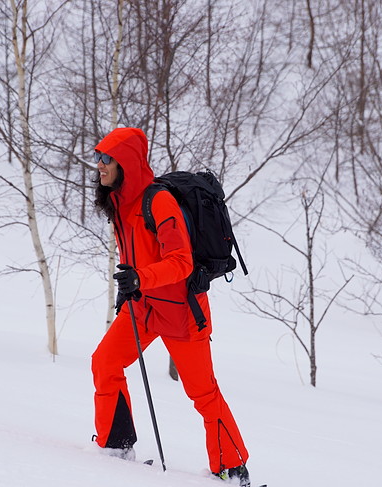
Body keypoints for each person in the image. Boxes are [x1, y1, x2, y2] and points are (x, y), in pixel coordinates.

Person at [91, 127, 251, 486]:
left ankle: (232, 468)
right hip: (144, 307)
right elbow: (133, 254)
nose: (99, 166)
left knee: (203, 393)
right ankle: (115, 446)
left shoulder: (158, 201)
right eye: (97, 157)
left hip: (180, 311)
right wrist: (130, 286)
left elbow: (181, 262)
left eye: (106, 159)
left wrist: (140, 278)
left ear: (126, 163)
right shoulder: (118, 201)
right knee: (105, 363)